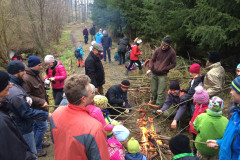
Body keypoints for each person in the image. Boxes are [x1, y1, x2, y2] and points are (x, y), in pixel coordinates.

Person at [50, 74, 109, 160]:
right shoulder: (94, 128)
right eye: (91, 93)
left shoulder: (56, 113)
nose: (93, 95)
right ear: (83, 99)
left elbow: (55, 140)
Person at [5, 60, 51, 156]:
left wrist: (27, 99)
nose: (25, 72)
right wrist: (46, 115)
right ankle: (36, 150)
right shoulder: (15, 93)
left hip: (26, 122)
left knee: (36, 130)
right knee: (32, 152)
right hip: (23, 127)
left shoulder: (17, 83)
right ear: (17, 72)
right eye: (23, 70)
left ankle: (37, 145)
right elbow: (25, 112)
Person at [0, 70, 37, 160]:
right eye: (6, 83)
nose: (10, 85)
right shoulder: (2, 121)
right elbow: (14, 152)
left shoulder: (3, 106)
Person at [22, 56, 50, 157]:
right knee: (43, 126)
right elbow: (26, 96)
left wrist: (46, 87)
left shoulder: (37, 73)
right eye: (39, 65)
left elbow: (39, 87)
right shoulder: (26, 78)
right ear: (33, 66)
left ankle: (38, 143)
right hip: (36, 107)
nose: (41, 66)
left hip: (42, 105)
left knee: (37, 126)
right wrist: (40, 101)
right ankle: (37, 148)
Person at [207, 77, 240, 160]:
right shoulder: (236, 114)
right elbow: (234, 140)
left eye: (233, 89)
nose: (230, 92)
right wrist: (220, 143)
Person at [147, 36, 176, 108]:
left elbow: (173, 64)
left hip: (162, 75)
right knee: (153, 90)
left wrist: (165, 68)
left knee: (160, 92)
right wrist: (150, 68)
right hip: (153, 73)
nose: (163, 47)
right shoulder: (157, 50)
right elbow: (152, 60)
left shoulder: (172, 52)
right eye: (162, 45)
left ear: (169, 46)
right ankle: (153, 101)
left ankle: (158, 106)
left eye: (165, 46)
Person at [189, 86, 209, 154]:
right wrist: (191, 120)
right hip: (194, 127)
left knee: (198, 143)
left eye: (197, 101)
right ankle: (194, 152)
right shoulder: (198, 105)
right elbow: (195, 114)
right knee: (194, 141)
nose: (196, 102)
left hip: (199, 131)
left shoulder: (206, 110)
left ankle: (197, 153)